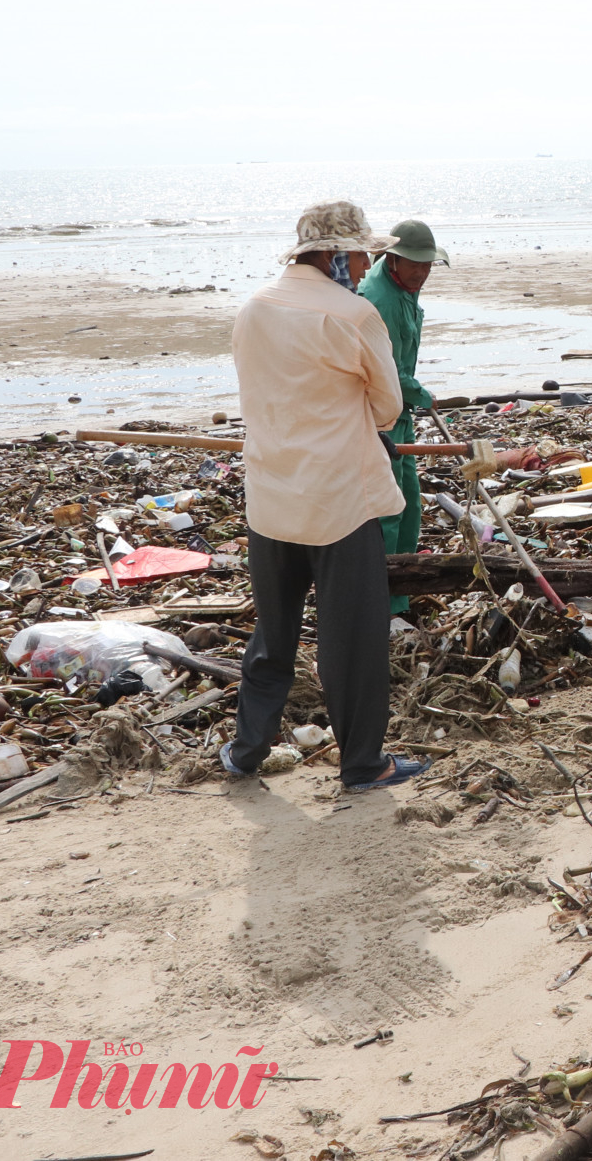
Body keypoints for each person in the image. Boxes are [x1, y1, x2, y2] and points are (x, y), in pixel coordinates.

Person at [223, 200, 428, 791]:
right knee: (352, 640)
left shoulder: (253, 308)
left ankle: (245, 752)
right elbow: (388, 407)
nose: (367, 265)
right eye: (361, 253)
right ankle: (363, 763)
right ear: (336, 257)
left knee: (274, 633)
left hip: (270, 494)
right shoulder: (355, 316)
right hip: (338, 501)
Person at [359, 219, 450, 616]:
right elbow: (385, 371)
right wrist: (421, 393)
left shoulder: (404, 287)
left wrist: (412, 396)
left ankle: (402, 593)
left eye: (427, 265)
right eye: (415, 264)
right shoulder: (378, 300)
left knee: (411, 502)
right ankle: (383, 605)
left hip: (400, 409)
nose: (422, 272)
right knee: (389, 508)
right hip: (379, 414)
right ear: (393, 259)